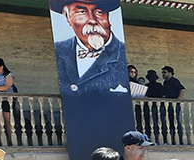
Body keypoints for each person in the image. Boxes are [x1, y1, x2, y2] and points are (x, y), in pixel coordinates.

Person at [50, 0, 133, 139]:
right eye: (81, 12)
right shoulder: (60, 50)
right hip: (78, 132)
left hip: (110, 129)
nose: (93, 20)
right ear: (68, 18)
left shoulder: (120, 53)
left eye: (99, 12)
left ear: (108, 18)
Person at [161, 66, 185, 141]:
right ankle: (173, 139)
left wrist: (177, 100)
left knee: (175, 122)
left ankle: (179, 139)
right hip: (168, 105)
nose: (163, 74)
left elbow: (182, 89)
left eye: (165, 72)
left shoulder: (174, 81)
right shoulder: (165, 82)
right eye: (162, 72)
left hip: (173, 105)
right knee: (170, 122)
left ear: (170, 73)